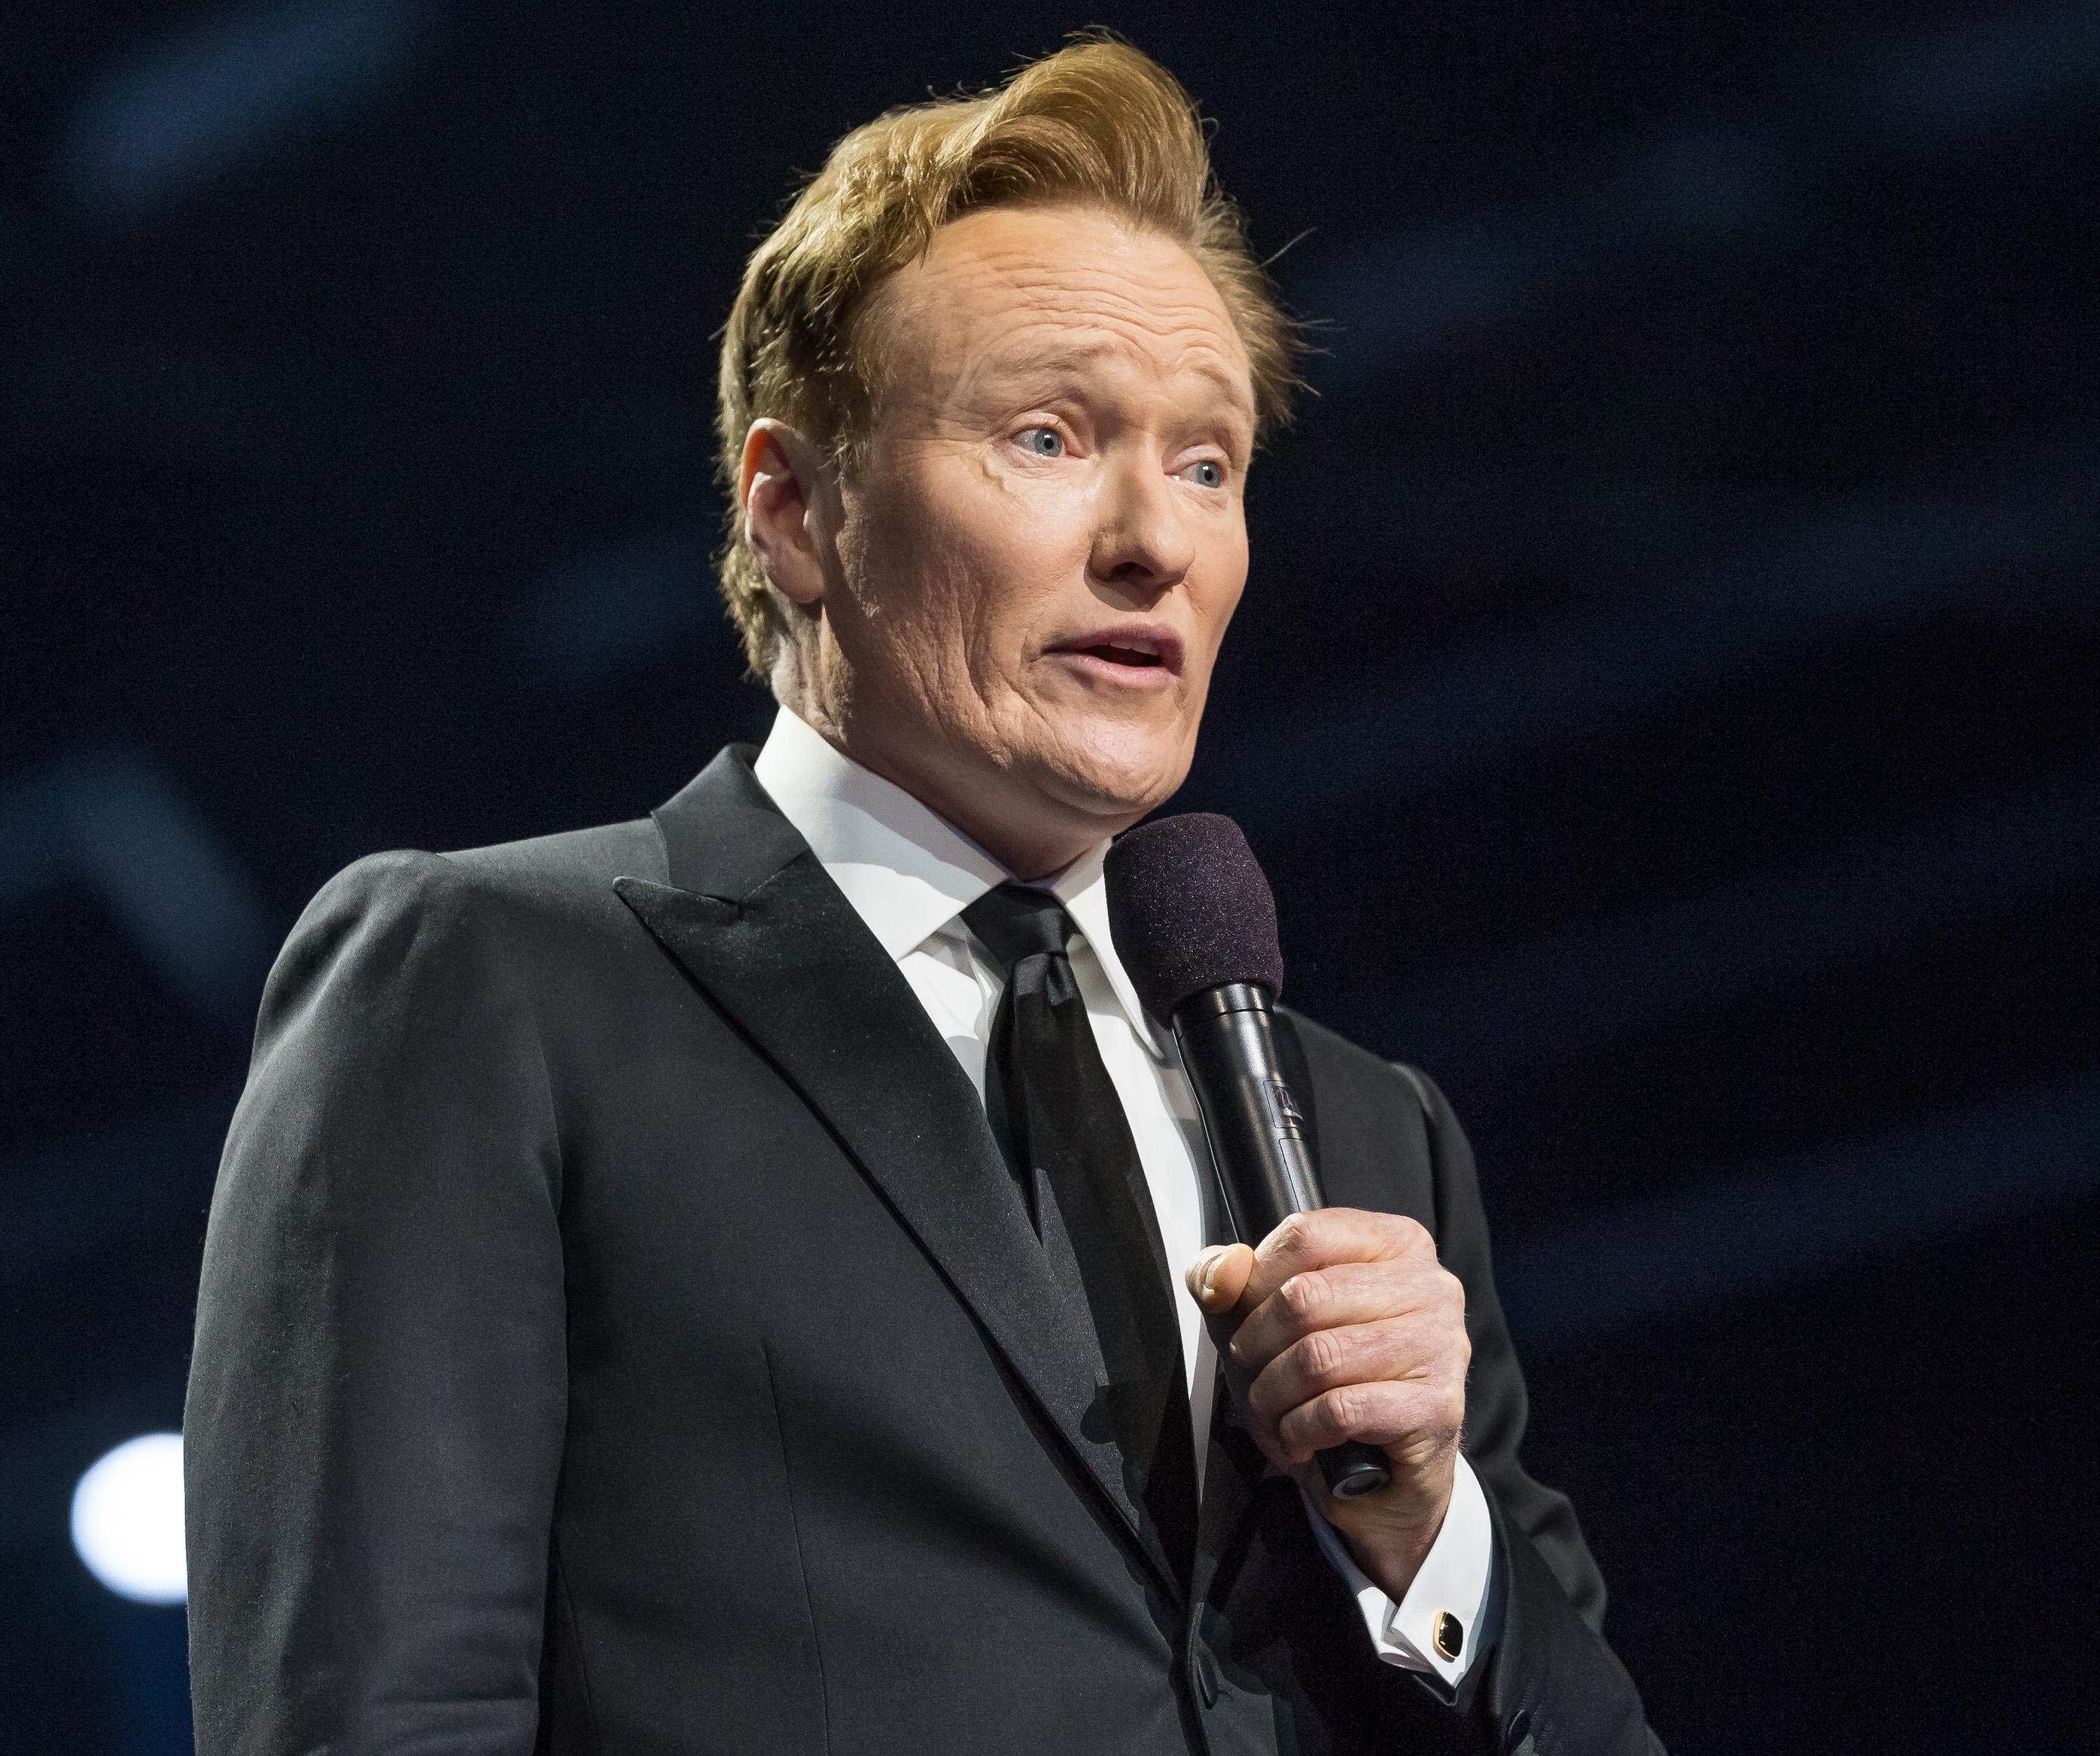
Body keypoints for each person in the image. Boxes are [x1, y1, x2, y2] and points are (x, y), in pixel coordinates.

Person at [184, 38, 1657, 1756]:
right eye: (1048, 435)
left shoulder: (1369, 1131)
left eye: (1208, 464)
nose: (1156, 541)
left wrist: (1425, 1537)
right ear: (795, 510)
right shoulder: (492, 983)